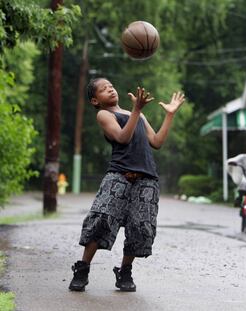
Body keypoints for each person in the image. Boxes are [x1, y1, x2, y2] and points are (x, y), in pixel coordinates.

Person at [69, 78, 185, 292]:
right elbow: (123, 138)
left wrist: (169, 114)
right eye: (104, 89)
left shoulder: (138, 114)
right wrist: (135, 110)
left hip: (147, 178)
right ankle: (83, 268)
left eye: (111, 86)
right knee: (101, 219)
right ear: (96, 100)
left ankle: (125, 271)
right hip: (119, 175)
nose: (110, 89)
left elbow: (157, 142)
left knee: (140, 227)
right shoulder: (104, 114)